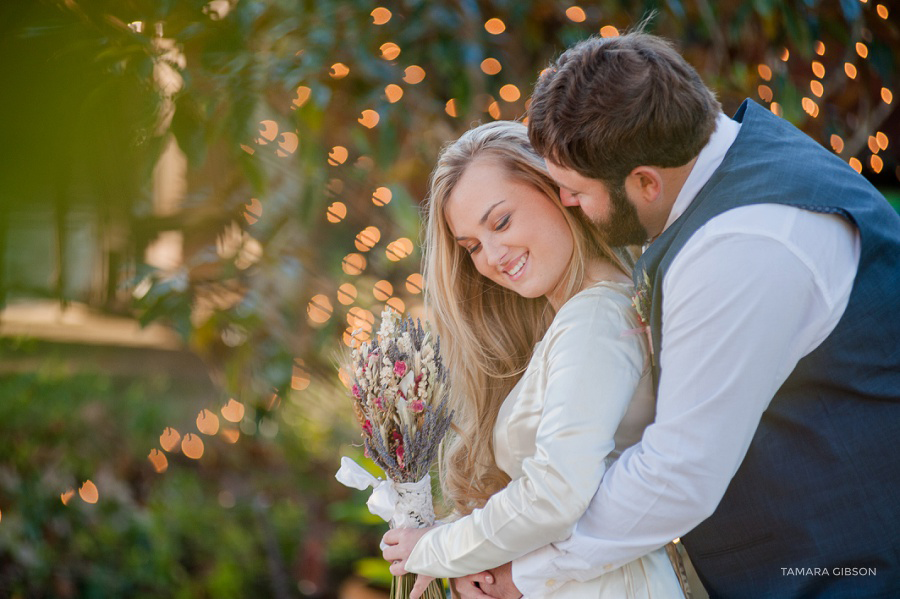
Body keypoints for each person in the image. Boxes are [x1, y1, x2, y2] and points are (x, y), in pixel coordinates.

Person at [471, 32, 900, 599]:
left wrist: (525, 572)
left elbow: (678, 474)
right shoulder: (737, 162)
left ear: (646, 180)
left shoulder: (741, 247)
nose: (568, 204)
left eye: (576, 191)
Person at [380, 120, 688, 598]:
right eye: (473, 247)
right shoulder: (573, 321)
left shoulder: (597, 317)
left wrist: (438, 547)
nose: (494, 256)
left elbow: (556, 494)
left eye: (501, 222)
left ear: (555, 190)